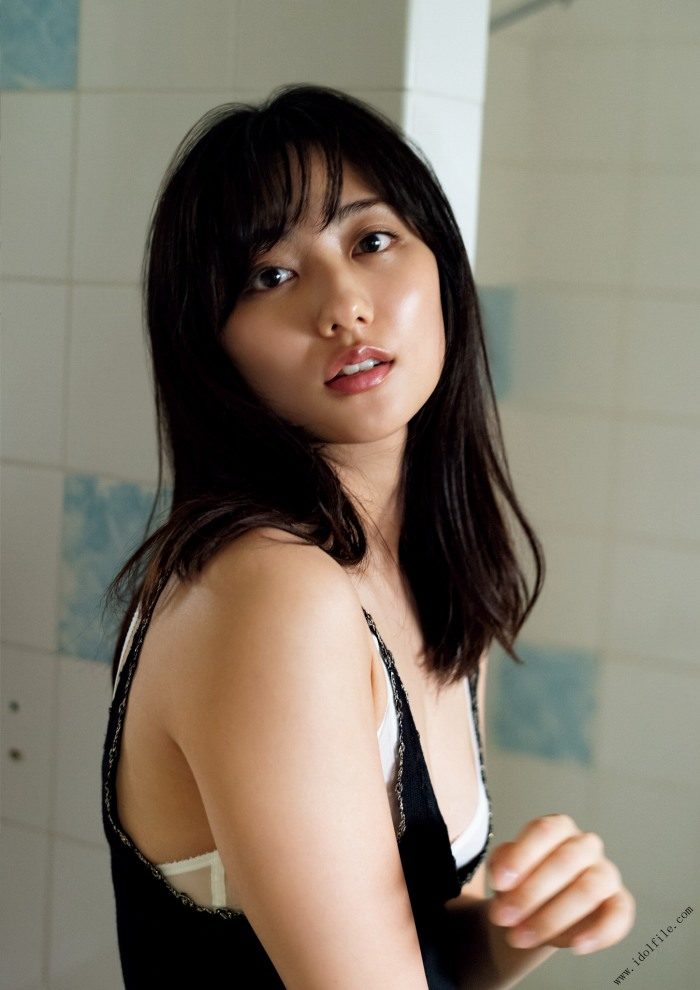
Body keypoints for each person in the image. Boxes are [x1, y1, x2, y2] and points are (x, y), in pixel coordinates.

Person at [100, 83, 635, 988]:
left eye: (371, 241)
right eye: (271, 276)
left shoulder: (423, 566)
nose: (344, 306)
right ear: (211, 346)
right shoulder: (270, 592)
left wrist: (524, 927)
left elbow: (410, 948)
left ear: (441, 262)